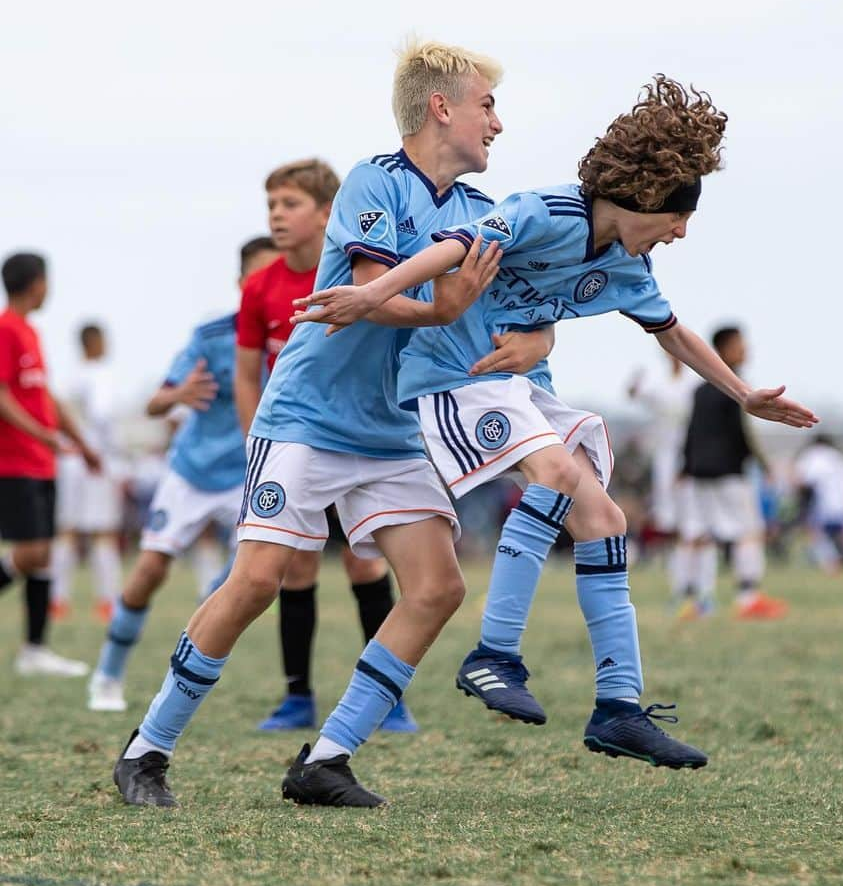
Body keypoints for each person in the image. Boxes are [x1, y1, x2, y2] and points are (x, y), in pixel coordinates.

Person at [295, 76, 818, 770]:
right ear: (643, 198)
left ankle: (619, 708)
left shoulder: (628, 267)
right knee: (557, 473)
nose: (681, 232)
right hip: (457, 376)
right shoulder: (546, 214)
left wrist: (743, 393)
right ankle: (494, 653)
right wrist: (373, 292)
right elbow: (451, 250)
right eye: (678, 215)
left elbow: (674, 334)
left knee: (604, 517)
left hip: (519, 387)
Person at [112, 39, 552, 809]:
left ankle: (327, 757)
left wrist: (536, 341)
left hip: (391, 433)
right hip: (309, 419)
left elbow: (514, 309)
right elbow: (370, 289)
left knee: (438, 587)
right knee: (254, 582)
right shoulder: (375, 181)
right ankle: (147, 750)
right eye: (488, 105)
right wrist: (445, 306)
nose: (499, 123)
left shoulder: (483, 214)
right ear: (440, 107)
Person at [236, 159, 415, 733]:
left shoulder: (359, 270)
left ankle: (388, 700)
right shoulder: (259, 288)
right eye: (271, 206)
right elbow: (246, 374)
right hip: (298, 437)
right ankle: (297, 697)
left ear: (326, 214)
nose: (276, 216)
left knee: (365, 564)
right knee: (294, 569)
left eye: (289, 204)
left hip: (361, 434)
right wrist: (251, 437)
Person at [86, 237, 279, 711]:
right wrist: (178, 394)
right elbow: (156, 402)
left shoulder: (297, 334)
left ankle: (197, 634)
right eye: (258, 276)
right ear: (240, 284)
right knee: (150, 569)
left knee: (253, 573)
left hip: (250, 473)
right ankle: (107, 675)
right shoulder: (211, 336)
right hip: (192, 470)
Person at [0, 253, 100, 676]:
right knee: (33, 552)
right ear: (36, 283)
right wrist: (40, 434)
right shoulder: (6, 328)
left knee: (43, 557)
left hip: (42, 463)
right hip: (15, 462)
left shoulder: (30, 332)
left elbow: (47, 398)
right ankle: (34, 649)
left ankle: (35, 650)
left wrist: (80, 441)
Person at [677, 325, 787, 619]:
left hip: (700, 472)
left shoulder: (699, 390)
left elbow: (690, 432)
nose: (745, 350)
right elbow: (746, 432)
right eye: (739, 344)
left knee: (705, 534)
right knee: (748, 533)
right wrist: (764, 465)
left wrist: (685, 466)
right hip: (730, 472)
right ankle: (748, 596)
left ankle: (701, 601)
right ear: (723, 349)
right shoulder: (738, 387)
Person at [52, 323, 126, 622]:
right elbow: (103, 414)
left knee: (67, 531)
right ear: (94, 342)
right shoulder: (100, 374)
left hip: (70, 461)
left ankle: (57, 599)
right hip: (95, 459)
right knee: (103, 533)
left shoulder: (70, 376)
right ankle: (107, 600)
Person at [626, 352, 697, 595]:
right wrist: (636, 379)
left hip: (692, 460)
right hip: (666, 460)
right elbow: (633, 394)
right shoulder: (660, 386)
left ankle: (694, 580)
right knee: (670, 522)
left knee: (693, 522)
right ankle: (679, 580)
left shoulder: (694, 385)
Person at [794, 435, 843, 572]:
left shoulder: (813, 456)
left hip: (824, 504)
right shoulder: (840, 458)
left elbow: (802, 480)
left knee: (816, 533)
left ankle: (831, 563)